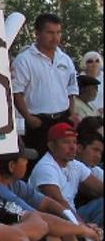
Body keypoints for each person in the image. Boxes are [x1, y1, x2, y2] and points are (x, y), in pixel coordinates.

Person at [11, 13, 79, 157]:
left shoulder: (65, 59)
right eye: (50, 33)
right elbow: (17, 92)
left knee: (65, 159)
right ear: (37, 33)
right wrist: (28, 117)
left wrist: (72, 114)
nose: (55, 37)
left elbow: (71, 89)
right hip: (38, 122)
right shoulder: (24, 60)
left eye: (58, 33)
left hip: (62, 118)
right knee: (39, 159)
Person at [29, 123, 104, 225]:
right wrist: (82, 226)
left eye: (74, 142)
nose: (73, 147)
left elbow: (99, 188)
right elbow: (59, 203)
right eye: (66, 142)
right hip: (52, 220)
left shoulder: (75, 165)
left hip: (73, 215)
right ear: (51, 146)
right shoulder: (45, 167)